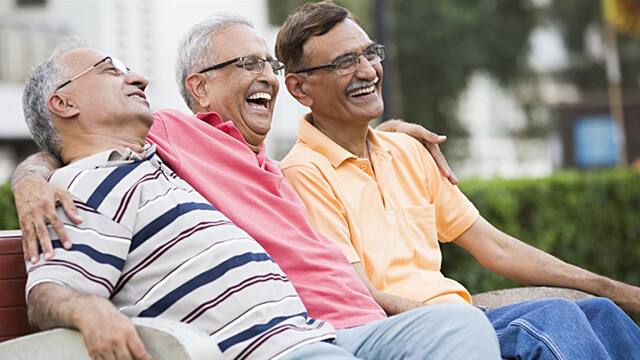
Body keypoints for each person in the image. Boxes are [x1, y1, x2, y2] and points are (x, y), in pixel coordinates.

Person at [13, 16, 501, 360]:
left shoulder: (162, 164)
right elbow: (49, 290)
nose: (137, 76)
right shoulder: (87, 183)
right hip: (271, 351)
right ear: (64, 102)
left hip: (320, 336)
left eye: (268, 64)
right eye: (111, 71)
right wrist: (31, 183)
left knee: (457, 325)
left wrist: (383, 135)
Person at [275, 1, 640, 359]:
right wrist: (462, 324)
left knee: (603, 313)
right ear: (300, 88)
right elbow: (360, 293)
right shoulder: (304, 173)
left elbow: (496, 249)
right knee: (554, 319)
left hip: (464, 321)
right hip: (418, 336)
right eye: (344, 62)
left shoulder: (408, 150)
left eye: (370, 54)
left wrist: (612, 288)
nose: (368, 71)